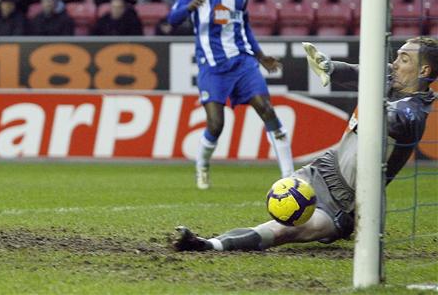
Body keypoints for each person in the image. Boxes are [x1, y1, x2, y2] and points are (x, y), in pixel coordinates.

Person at [174, 37, 437, 252]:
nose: (394, 64)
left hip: (345, 200)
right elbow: (359, 73)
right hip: (324, 167)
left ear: (424, 71)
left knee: (283, 231)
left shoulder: (414, 113)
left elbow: (395, 120)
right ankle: (213, 242)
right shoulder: (390, 83)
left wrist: (375, 101)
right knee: (282, 208)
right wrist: (331, 67)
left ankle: (209, 245)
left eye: (403, 59)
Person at [167, 0, 294, 190]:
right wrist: (188, 8)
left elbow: (244, 27)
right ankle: (202, 164)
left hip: (243, 62)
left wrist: (260, 57)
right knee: (216, 124)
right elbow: (172, 18)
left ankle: (289, 178)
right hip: (212, 65)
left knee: (266, 109)